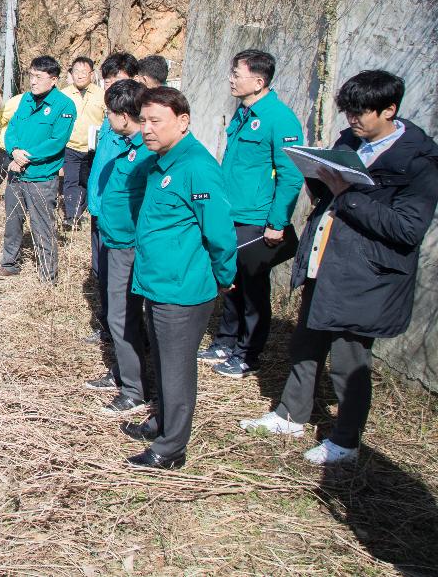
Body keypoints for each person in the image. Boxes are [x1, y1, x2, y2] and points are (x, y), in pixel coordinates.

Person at [241, 70, 438, 465]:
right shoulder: (350, 142)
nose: (352, 121)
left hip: (368, 276)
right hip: (326, 262)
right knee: (305, 344)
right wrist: (320, 178)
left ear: (389, 109)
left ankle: (345, 440)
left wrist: (347, 194)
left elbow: (407, 228)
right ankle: (290, 415)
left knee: (349, 359)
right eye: (348, 112)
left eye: (361, 113)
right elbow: (331, 196)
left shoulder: (418, 163)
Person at [121, 86, 236, 470]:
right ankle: (162, 422)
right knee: (164, 363)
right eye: (144, 121)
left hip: (182, 290)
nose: (147, 129)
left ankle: (171, 449)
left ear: (183, 122)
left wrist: (224, 276)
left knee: (176, 369)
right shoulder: (160, 162)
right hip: (157, 283)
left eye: (156, 121)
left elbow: (220, 232)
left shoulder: (197, 168)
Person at [200, 50, 304, 378]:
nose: (231, 79)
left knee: (254, 288)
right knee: (231, 279)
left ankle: (248, 352)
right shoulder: (242, 113)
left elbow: (291, 174)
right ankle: (226, 340)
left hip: (257, 219)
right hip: (231, 212)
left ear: (258, 82)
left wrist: (278, 222)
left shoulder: (279, 117)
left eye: (237, 74)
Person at [84, 79, 156, 414]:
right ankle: (124, 373)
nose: (107, 120)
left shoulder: (147, 151)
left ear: (125, 116)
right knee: (121, 315)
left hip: (129, 246)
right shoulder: (129, 145)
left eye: (110, 113)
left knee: (122, 316)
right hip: (115, 242)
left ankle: (134, 391)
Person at [0, 56, 76, 283]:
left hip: (41, 176)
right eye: (31, 76)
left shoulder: (64, 106)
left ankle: (48, 276)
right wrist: (14, 150)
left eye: (39, 77)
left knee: (43, 226)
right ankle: (10, 263)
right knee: (12, 220)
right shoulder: (26, 100)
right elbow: (12, 130)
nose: (33, 82)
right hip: (16, 174)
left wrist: (25, 157)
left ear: (54, 79)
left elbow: (56, 142)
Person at [83, 51, 140, 344]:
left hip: (120, 218)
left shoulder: (139, 121)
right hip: (100, 207)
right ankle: (109, 328)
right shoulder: (110, 118)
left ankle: (128, 338)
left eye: (116, 80)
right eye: (106, 81)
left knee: (121, 281)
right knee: (101, 271)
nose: (109, 86)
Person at [61, 57, 106, 227]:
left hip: (94, 147)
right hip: (71, 146)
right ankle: (72, 217)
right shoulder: (63, 95)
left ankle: (86, 210)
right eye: (76, 72)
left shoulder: (102, 95)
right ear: (71, 74)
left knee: (89, 181)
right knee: (71, 180)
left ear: (92, 74)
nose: (79, 76)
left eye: (83, 72)